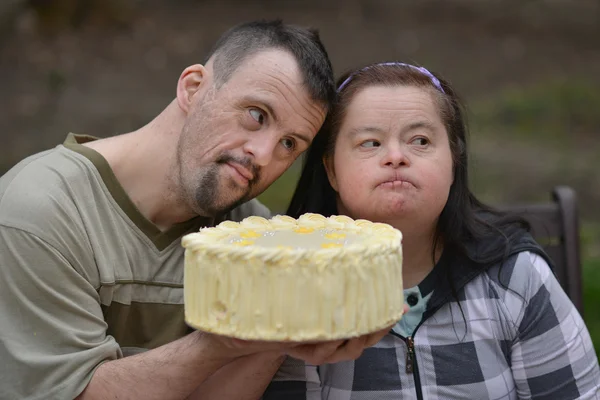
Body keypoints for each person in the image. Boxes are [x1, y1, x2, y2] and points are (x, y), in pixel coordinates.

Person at [0, 21, 394, 400]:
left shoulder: (253, 242)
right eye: (257, 115)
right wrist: (221, 341)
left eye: (289, 144)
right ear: (193, 88)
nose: (262, 154)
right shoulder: (41, 212)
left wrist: (279, 331)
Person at [263, 62, 600, 399]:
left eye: (420, 140)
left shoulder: (516, 279)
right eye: (370, 143)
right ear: (331, 170)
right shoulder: (296, 289)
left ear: (454, 162)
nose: (395, 156)